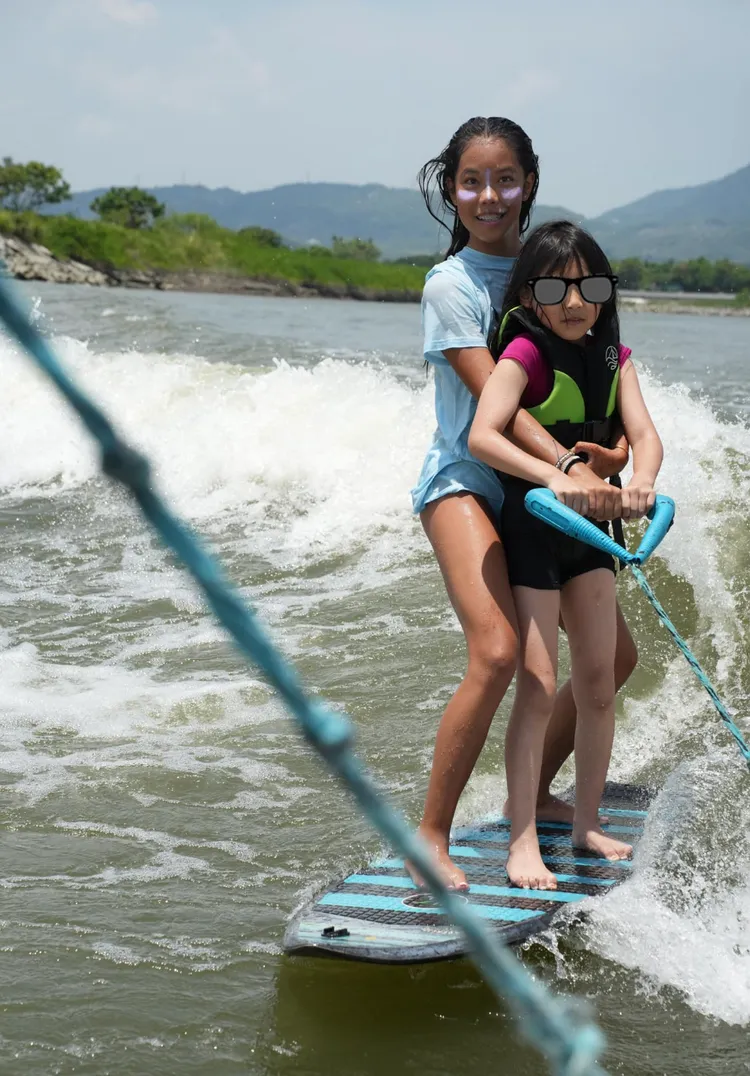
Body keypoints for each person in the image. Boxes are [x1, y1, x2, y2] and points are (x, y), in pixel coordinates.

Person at [410, 117, 638, 892]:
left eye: (505, 180)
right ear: (452, 190)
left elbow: (591, 388)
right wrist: (571, 467)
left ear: (529, 185)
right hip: (467, 482)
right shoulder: (451, 286)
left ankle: (535, 790)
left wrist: (610, 457)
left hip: (542, 487)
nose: (489, 196)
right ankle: (432, 836)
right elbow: (496, 410)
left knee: (619, 660)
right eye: (472, 182)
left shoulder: (552, 273)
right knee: (501, 654)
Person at [468, 220, 664, 889]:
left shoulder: (617, 357)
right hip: (532, 528)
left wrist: (640, 483)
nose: (576, 301)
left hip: (591, 536)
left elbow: (644, 436)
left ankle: (585, 821)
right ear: (531, 292)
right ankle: (522, 837)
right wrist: (555, 475)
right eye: (557, 287)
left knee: (600, 683)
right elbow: (483, 436)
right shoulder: (523, 354)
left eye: (591, 287)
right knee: (539, 686)